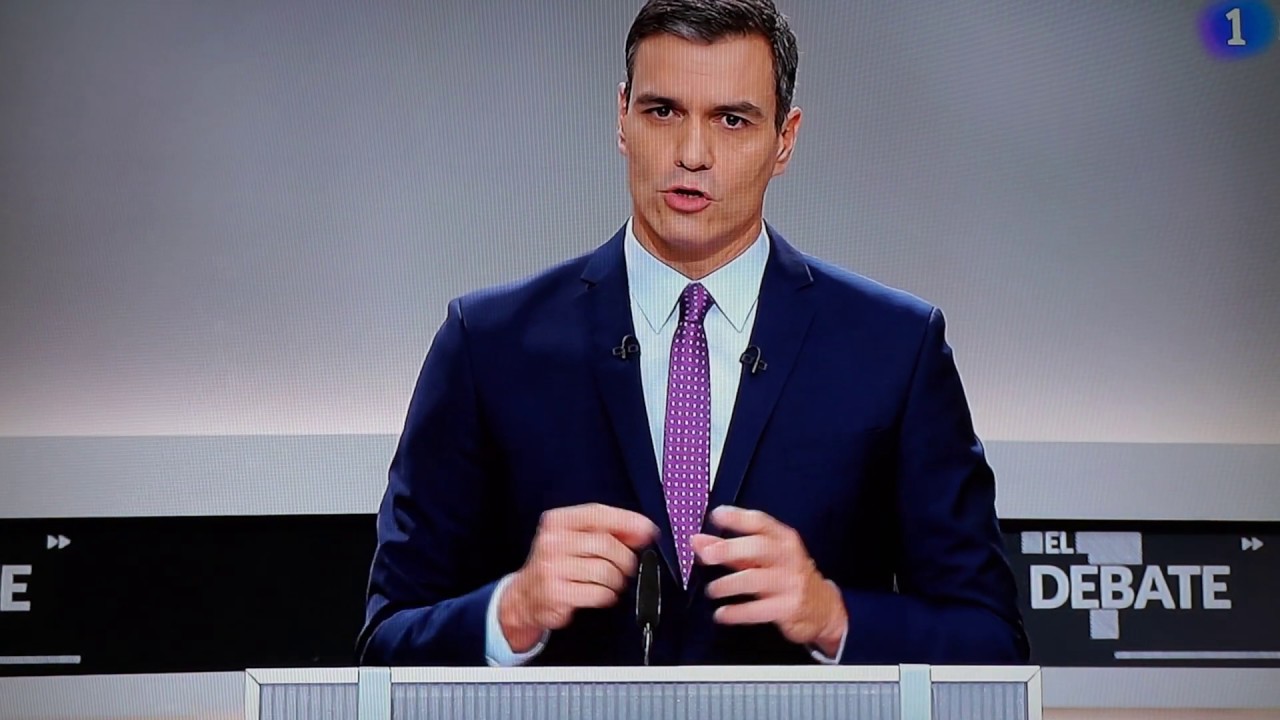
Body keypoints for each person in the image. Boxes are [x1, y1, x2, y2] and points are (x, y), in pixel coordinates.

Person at [357, 0, 1029, 667]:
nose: (691, 154)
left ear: (785, 139)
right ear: (622, 117)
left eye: (732, 120)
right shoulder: (488, 345)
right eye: (663, 112)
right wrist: (511, 613)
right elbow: (386, 640)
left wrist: (833, 617)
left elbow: (992, 643)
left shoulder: (894, 349)